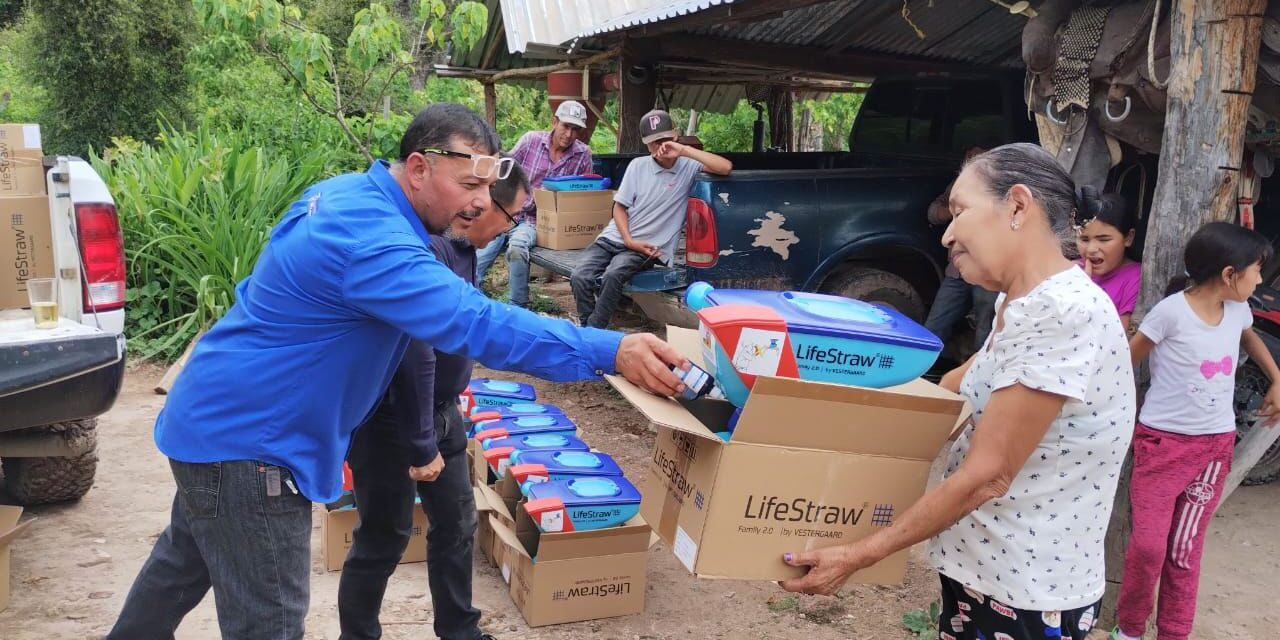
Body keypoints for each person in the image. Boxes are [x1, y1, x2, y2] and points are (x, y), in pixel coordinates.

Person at [106, 103, 689, 640]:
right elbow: (477, 323)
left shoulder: (342, 194)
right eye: (468, 185)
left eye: (487, 188)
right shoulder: (376, 244)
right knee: (271, 621)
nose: (481, 203)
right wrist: (609, 350)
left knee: (178, 571)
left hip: (214, 421)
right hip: (252, 447)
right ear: (417, 168)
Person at [779, 143, 1135, 640]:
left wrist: (859, 554)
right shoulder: (1025, 302)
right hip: (986, 575)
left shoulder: (1063, 313)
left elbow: (988, 476)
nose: (946, 232)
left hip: (1024, 596)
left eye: (960, 211)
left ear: (1016, 205)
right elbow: (956, 389)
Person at [337, 164, 530, 640]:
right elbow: (415, 351)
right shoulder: (429, 249)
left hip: (444, 414)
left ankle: (459, 630)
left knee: (457, 524)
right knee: (384, 537)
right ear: (484, 204)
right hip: (393, 420)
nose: (513, 227)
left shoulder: (466, 250)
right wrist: (421, 442)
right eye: (514, 215)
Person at [1112, 222, 1280, 640]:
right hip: (1162, 446)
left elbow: (1250, 338)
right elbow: (1123, 363)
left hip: (1213, 449)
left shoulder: (1238, 310)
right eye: (1257, 270)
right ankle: (1130, 629)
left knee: (1184, 550)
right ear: (1229, 273)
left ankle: (1174, 632)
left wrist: (1277, 377)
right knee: (1149, 548)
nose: (1260, 279)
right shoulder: (1171, 312)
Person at [571, 109, 732, 328]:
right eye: (653, 142)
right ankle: (588, 328)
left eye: (665, 139)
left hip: (647, 247)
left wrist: (684, 150)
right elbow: (619, 207)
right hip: (616, 237)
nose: (660, 146)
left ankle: (593, 331)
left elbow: (725, 167)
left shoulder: (688, 166)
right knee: (580, 276)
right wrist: (627, 239)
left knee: (613, 275)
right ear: (646, 144)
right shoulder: (638, 166)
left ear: (675, 135)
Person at [474, 100, 593, 308]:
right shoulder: (531, 141)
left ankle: (517, 307)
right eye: (566, 126)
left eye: (575, 129)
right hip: (506, 211)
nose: (569, 134)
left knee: (517, 249)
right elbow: (505, 169)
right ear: (554, 122)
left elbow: (583, 197)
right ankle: (468, 297)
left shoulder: (582, 154)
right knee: (479, 257)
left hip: (537, 220)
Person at [924, 147, 998, 351]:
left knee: (986, 329)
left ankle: (979, 379)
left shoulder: (1000, 192)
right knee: (934, 326)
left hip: (987, 270)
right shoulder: (958, 187)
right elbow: (932, 213)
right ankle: (916, 375)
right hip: (957, 271)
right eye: (970, 160)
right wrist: (954, 211)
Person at [1075, 188, 1142, 331]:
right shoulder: (1071, 271)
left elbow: (1119, 339)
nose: (1091, 249)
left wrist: (1084, 291)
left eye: (1103, 239)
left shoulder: (1135, 279)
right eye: (1084, 239)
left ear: (1128, 237)